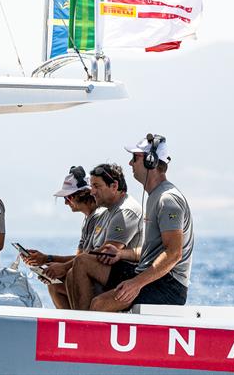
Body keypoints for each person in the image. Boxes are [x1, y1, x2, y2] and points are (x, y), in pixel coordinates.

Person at [68, 134, 193, 312]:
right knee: (82, 262)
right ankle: (76, 328)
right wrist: (121, 254)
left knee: (99, 304)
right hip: (144, 273)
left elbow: (173, 253)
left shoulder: (168, 200)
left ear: (150, 161)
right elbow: (153, 250)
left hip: (168, 285)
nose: (130, 163)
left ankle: (82, 333)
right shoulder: (154, 197)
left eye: (134, 158)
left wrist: (135, 284)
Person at [21, 166, 103, 309]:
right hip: (90, 277)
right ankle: (70, 326)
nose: (66, 202)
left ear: (83, 193)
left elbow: (88, 260)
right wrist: (47, 260)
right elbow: (79, 258)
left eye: (68, 197)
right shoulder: (89, 219)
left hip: (101, 283)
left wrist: (54, 264)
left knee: (57, 283)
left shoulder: (100, 217)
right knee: (54, 285)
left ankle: (75, 325)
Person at [65, 163, 143, 310]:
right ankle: (76, 324)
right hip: (117, 269)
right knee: (70, 274)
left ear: (114, 186)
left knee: (82, 262)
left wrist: (58, 264)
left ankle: (83, 324)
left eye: (96, 186)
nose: (92, 191)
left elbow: (105, 254)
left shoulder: (125, 211)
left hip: (131, 271)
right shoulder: (107, 211)